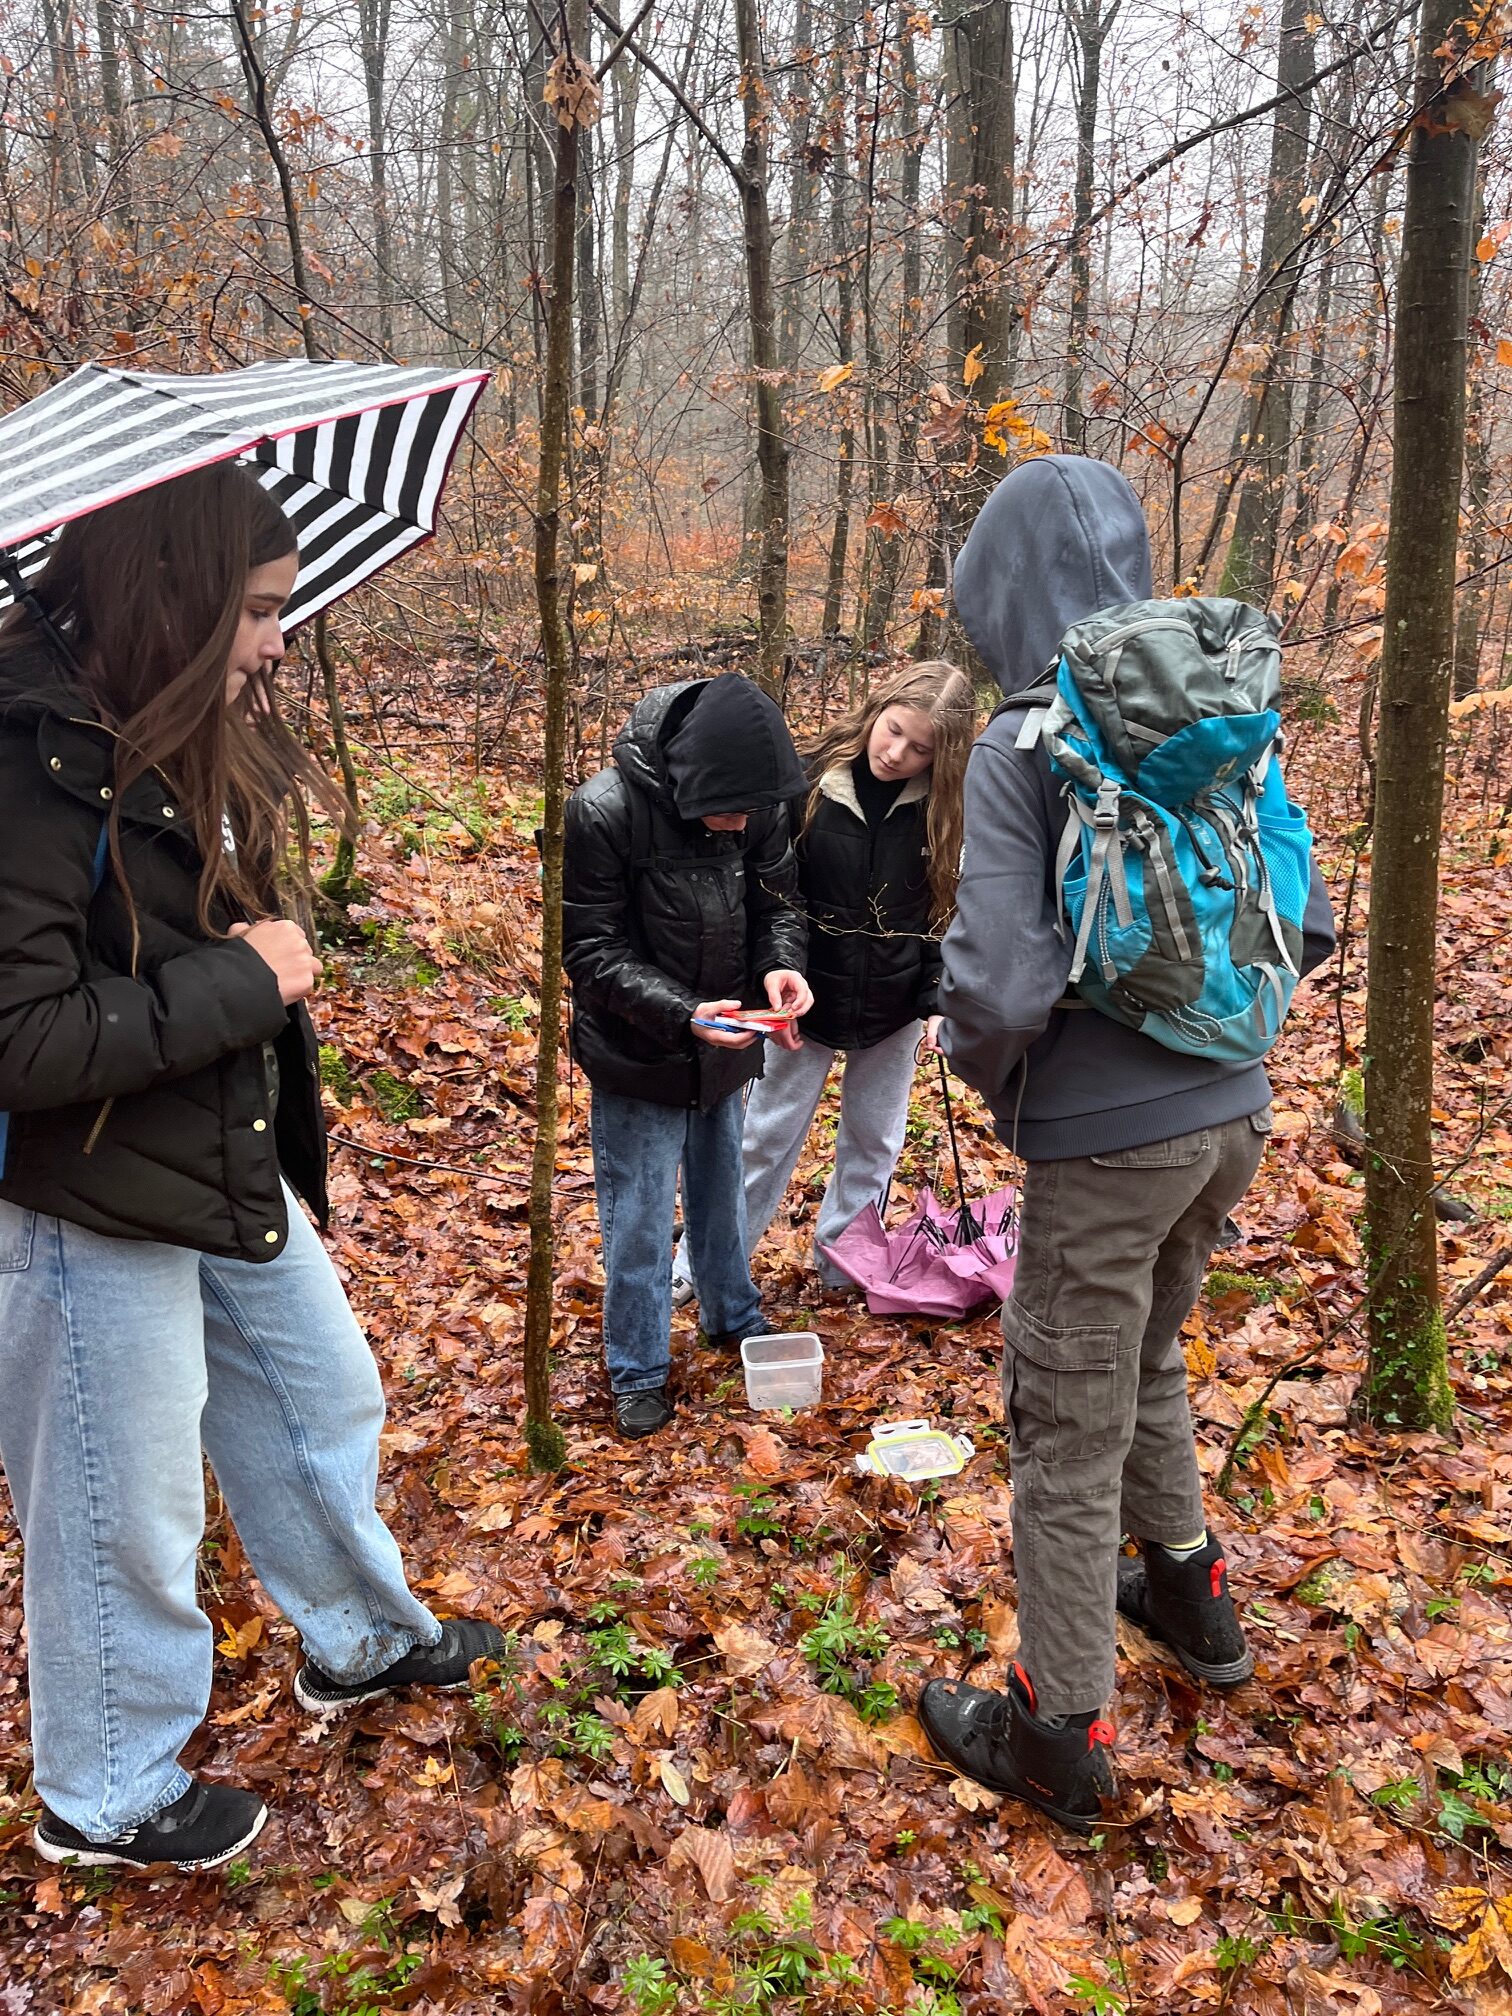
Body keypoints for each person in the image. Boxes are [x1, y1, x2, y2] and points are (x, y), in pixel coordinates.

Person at [0, 465, 503, 1875]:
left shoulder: (156, 724)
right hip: (77, 1195)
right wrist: (243, 980)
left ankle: (358, 1640)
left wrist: (231, 930)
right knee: (120, 1497)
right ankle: (107, 1791)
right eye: (261, 610)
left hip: (204, 1147)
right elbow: (20, 1040)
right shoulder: (24, 756)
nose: (280, 641)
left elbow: (155, 936)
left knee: (319, 1391)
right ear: (173, 596)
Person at [917, 457, 1336, 1832]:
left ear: (997, 585)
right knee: (1148, 1355)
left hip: (1104, 1144)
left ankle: (1058, 1732)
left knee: (1062, 1428)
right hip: (1234, 1116)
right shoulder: (1222, 705)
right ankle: (1191, 1596)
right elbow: (1307, 916)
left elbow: (998, 988)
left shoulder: (1023, 738)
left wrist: (999, 1084)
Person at [671, 661, 975, 1304]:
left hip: (895, 1006)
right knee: (766, 1134)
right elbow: (771, 895)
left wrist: (937, 1001)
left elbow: (945, 916)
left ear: (943, 757)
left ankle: (846, 1262)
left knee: (874, 1140)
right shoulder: (809, 783)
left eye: (920, 748)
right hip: (800, 997)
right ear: (876, 711)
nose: (897, 753)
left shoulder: (947, 812)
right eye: (893, 730)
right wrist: (771, 975)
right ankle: (705, 1262)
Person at [562, 673, 812, 1441]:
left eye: (753, 812)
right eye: (729, 810)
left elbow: (779, 906)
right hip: (638, 1051)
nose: (741, 825)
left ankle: (731, 1315)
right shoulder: (604, 811)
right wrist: (681, 1014)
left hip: (728, 1041)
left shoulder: (759, 807)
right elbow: (591, 950)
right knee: (639, 1217)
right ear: (690, 782)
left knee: (721, 1192)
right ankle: (638, 1368)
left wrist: (780, 966)